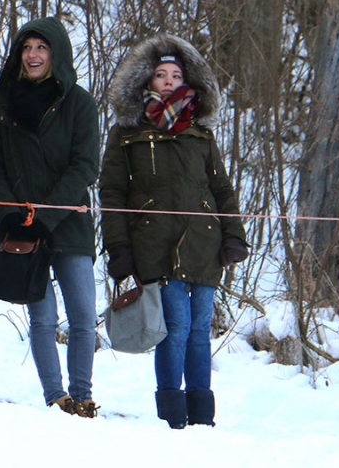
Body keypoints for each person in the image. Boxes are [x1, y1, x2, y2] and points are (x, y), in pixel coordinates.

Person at [99, 34, 249, 428]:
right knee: (175, 327)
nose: (167, 80)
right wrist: (118, 246)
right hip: (154, 241)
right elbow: (111, 192)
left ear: (187, 81)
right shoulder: (126, 132)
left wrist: (234, 234)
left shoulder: (200, 133)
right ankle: (172, 414)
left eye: (175, 74)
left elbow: (221, 188)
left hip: (203, 241)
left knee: (200, 329)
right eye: (160, 74)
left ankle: (202, 414)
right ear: (147, 82)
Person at [0, 17, 100, 417]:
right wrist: (12, 214)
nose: (32, 55)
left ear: (56, 54)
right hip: (20, 228)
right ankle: (56, 398)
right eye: (27, 47)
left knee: (83, 316)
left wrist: (46, 215)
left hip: (69, 224)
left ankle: (82, 396)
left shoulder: (80, 103)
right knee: (43, 318)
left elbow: (84, 167)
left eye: (41, 48)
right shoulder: (3, 101)